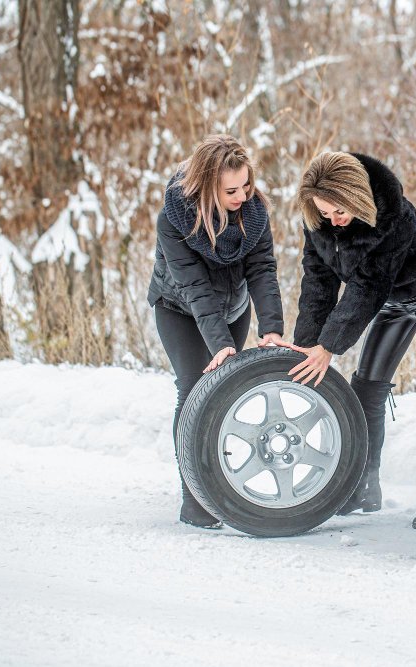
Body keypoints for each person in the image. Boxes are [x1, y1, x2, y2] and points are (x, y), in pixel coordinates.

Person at [289, 151, 416, 529]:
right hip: (393, 300)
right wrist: (308, 343)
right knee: (365, 389)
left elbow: (367, 285)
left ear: (355, 196)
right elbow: (318, 280)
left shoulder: (391, 216)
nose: (333, 220)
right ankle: (366, 488)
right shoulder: (319, 220)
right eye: (326, 213)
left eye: (339, 211)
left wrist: (330, 346)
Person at [148, 135, 286, 528]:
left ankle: (218, 489)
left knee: (221, 393)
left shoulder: (254, 213)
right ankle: (194, 498)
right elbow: (195, 288)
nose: (242, 195)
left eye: (246, 185)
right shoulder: (173, 220)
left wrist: (272, 329)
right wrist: (221, 346)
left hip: (233, 307)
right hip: (179, 309)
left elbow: (262, 271)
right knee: (194, 389)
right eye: (230, 190)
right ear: (207, 187)